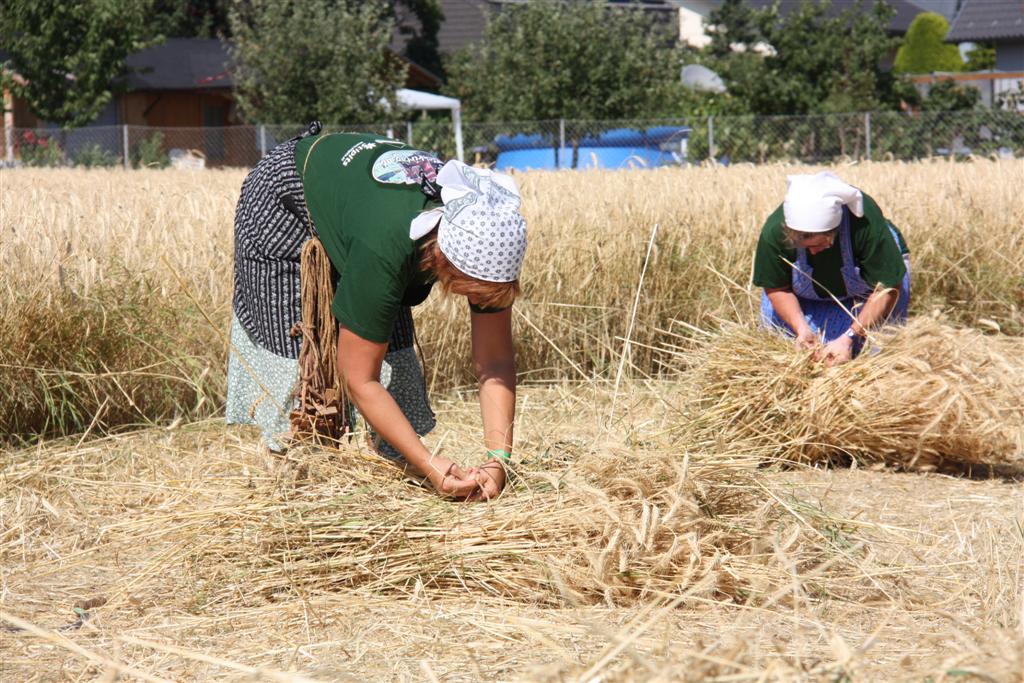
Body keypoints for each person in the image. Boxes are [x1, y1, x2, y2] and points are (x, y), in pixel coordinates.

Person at [226, 123, 527, 500]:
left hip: (365, 211)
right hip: (284, 199)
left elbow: (495, 362)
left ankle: (396, 468)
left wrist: (498, 460)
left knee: (393, 355)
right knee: (302, 358)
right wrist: (429, 461)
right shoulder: (389, 248)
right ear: (444, 257)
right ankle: (298, 486)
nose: (477, 299)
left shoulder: (488, 239)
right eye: (470, 288)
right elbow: (359, 378)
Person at [753, 172, 910, 365]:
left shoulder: (864, 224)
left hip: (865, 297)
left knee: (874, 356)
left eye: (819, 244)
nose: (813, 252)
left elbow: (886, 289)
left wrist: (849, 337)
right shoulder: (774, 232)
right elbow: (777, 288)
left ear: (834, 230)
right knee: (787, 353)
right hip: (807, 299)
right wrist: (801, 329)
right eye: (804, 247)